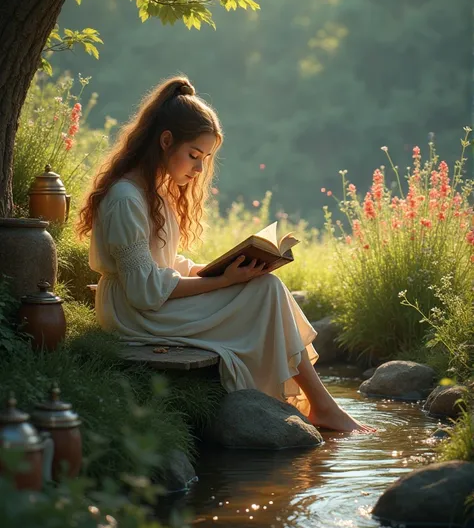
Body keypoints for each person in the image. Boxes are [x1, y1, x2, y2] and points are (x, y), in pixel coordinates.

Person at [78, 76, 373, 433]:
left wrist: (220, 270)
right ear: (166, 140)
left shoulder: (153, 191)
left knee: (267, 286)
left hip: (151, 303)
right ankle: (321, 406)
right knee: (266, 293)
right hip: (133, 315)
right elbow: (143, 290)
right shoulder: (127, 198)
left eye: (206, 158)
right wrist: (223, 281)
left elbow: (166, 265)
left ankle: (319, 405)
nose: (200, 168)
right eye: (194, 155)